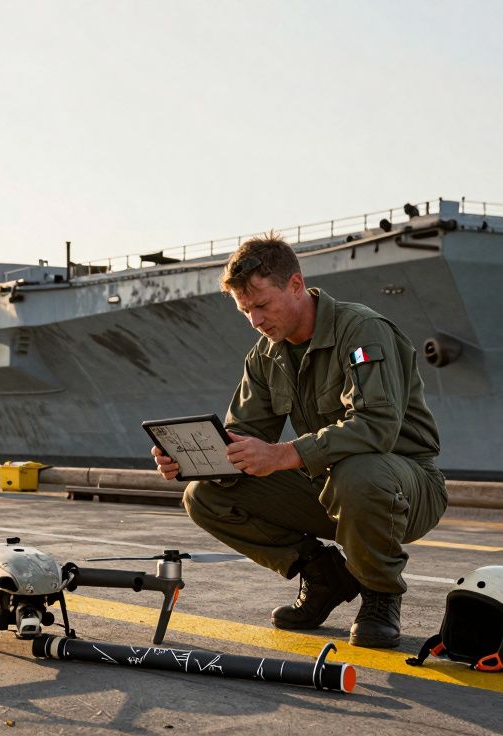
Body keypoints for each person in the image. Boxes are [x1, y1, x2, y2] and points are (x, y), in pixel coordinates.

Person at [151, 234, 447, 648]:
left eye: (261, 305)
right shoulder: (265, 354)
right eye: (245, 310)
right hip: (329, 485)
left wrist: (285, 453)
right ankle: (324, 575)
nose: (254, 319)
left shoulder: (363, 331)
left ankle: (381, 594)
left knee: (358, 473)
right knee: (205, 495)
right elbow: (244, 437)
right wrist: (194, 460)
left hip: (405, 487)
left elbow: (377, 427)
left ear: (295, 285)